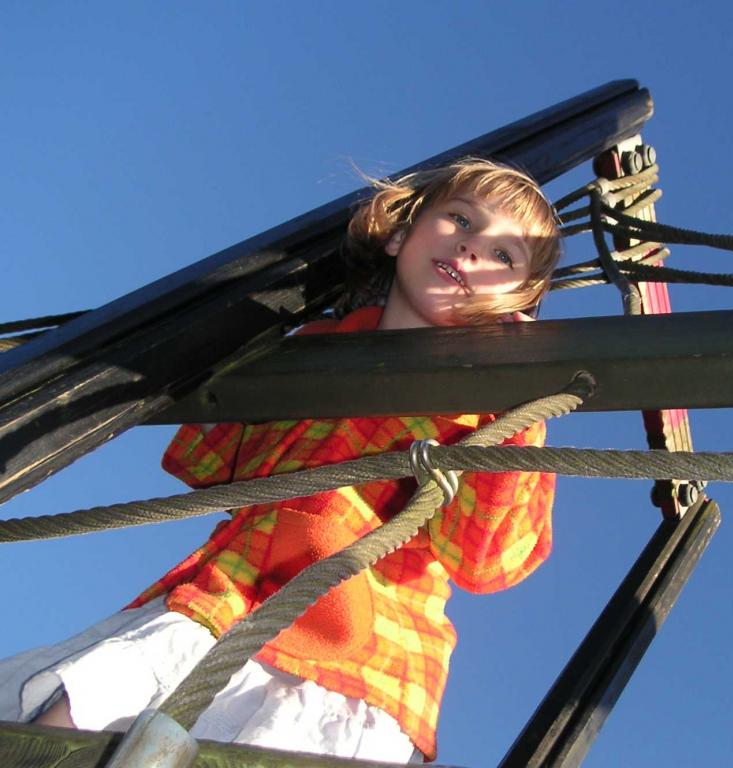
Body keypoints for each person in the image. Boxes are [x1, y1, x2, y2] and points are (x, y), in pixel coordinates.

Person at [0, 158, 562, 763]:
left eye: (506, 256)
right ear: (402, 233)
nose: (473, 247)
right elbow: (210, 461)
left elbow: (487, 562)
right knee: (62, 730)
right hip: (222, 602)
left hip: (367, 657)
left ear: (519, 302)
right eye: (459, 219)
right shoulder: (314, 350)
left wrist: (512, 392)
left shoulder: (496, 406)